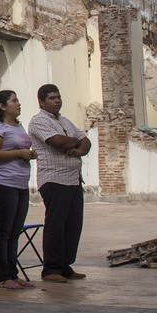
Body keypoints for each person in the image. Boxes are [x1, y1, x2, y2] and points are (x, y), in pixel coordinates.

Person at [29, 83, 91, 283]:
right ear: (41, 101)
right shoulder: (38, 121)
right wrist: (75, 140)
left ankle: (65, 265)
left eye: (58, 97)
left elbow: (86, 142)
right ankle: (51, 268)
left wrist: (80, 149)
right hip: (54, 179)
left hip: (73, 179)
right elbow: (59, 142)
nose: (57, 101)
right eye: (52, 98)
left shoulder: (64, 120)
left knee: (73, 224)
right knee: (56, 223)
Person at [0, 90, 37, 290]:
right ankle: (3, 275)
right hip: (3, 183)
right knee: (3, 230)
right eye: (14, 101)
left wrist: (28, 154)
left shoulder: (18, 125)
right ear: (2, 106)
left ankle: (13, 273)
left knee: (15, 231)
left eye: (18, 100)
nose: (18, 104)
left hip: (20, 183)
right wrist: (19, 153)